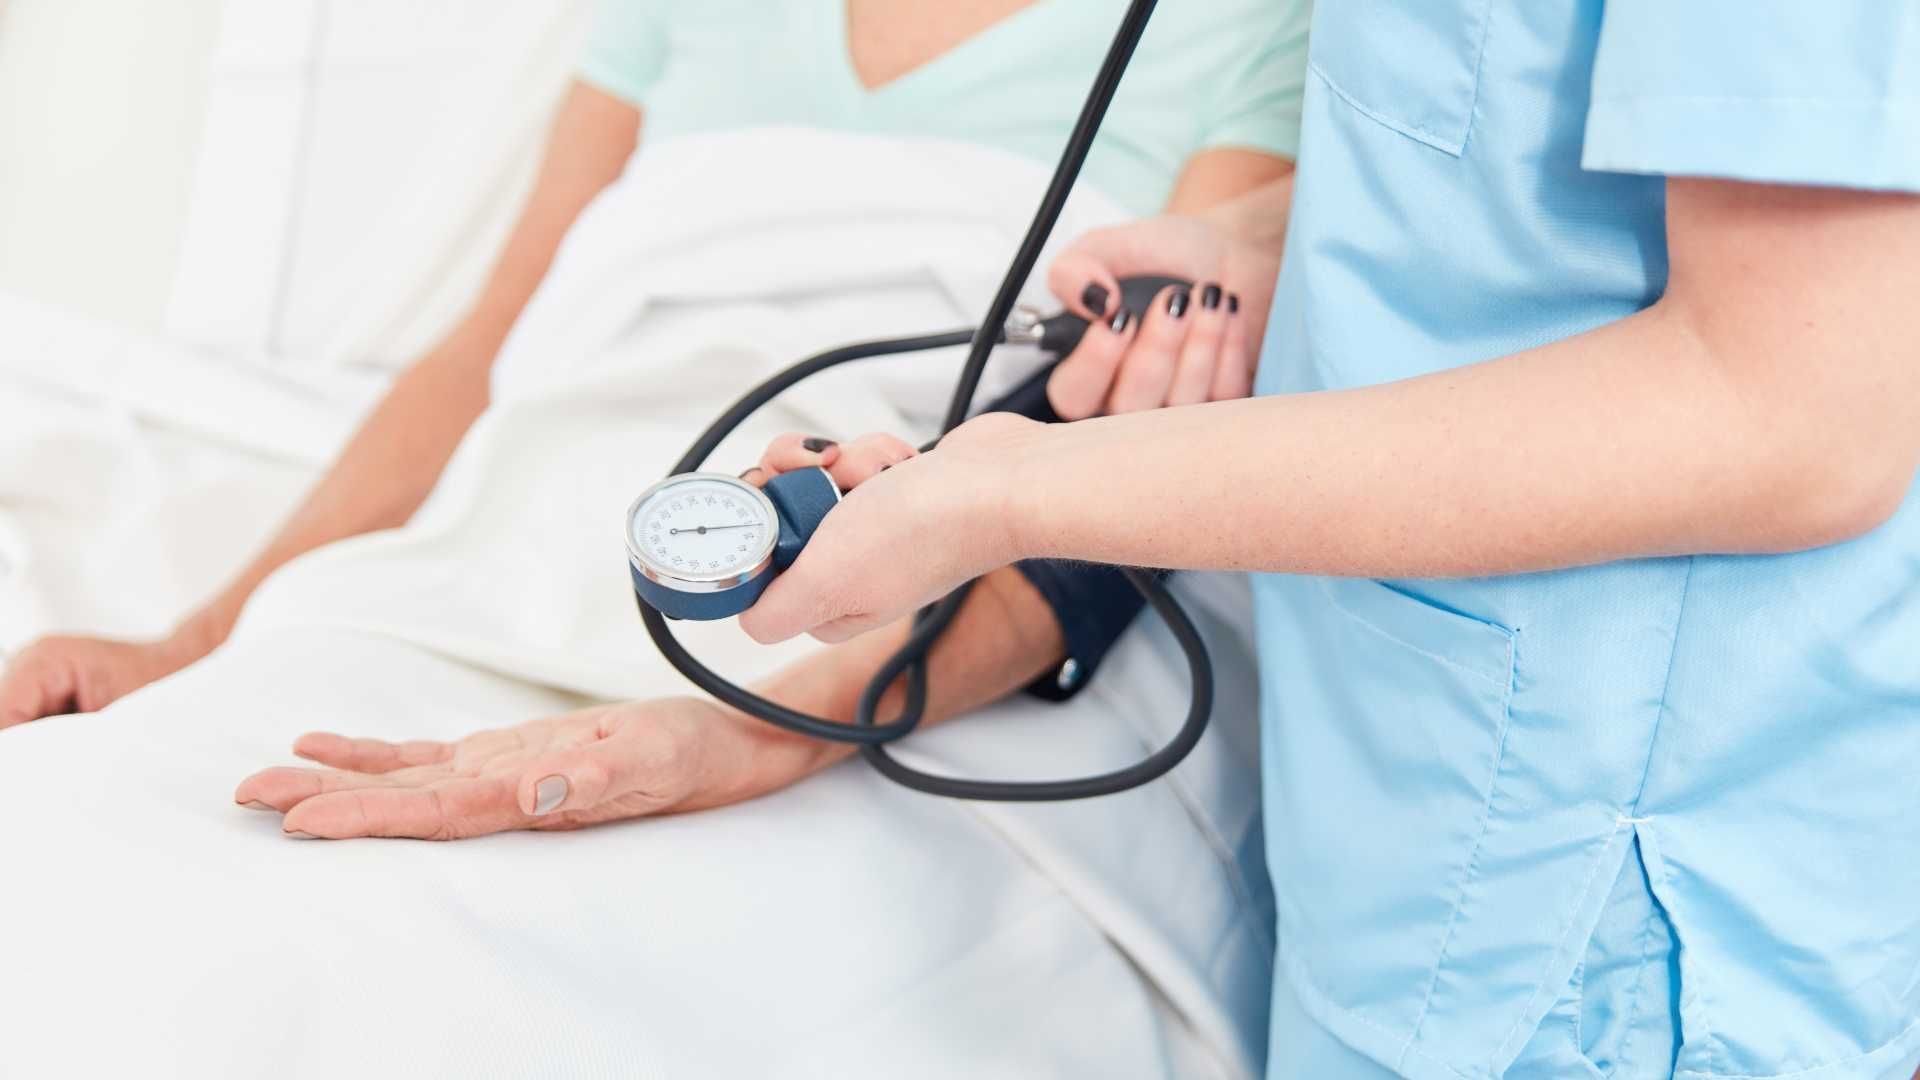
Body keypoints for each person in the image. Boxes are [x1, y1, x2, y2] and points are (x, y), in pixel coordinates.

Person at [731, 3, 1920, 1078]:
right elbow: (1501, 127)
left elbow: (1796, 417)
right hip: (1390, 822)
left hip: (1599, 916)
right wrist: (1270, 245)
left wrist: (1009, 493)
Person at [0, 0, 1297, 733]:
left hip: (903, 563)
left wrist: (800, 708)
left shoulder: (1251, 22)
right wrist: (194, 639)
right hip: (531, 515)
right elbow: (486, 356)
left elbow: (1146, 419)